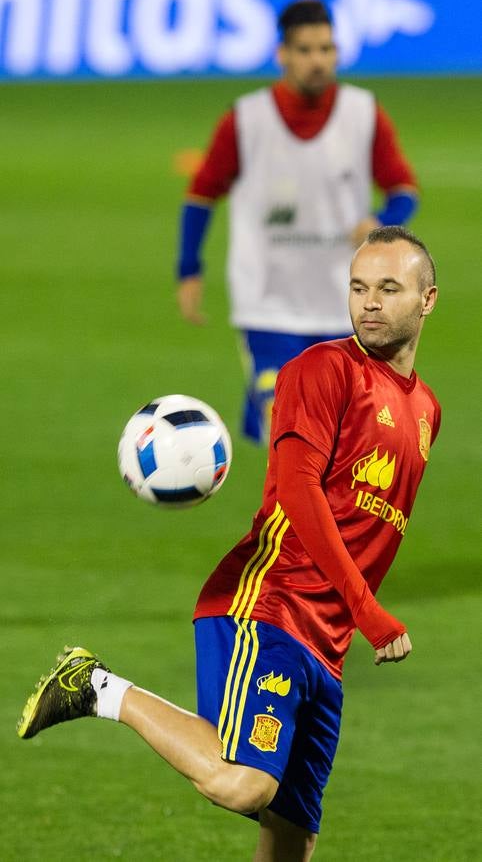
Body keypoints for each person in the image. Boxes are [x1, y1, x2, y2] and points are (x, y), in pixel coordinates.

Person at [18, 226, 440, 862]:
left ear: (427, 299)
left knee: (292, 833)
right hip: (266, 606)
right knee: (244, 783)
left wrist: (348, 618)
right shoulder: (322, 371)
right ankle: (97, 686)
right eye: (358, 288)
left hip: (326, 644)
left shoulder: (426, 409)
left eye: (388, 288)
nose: (369, 302)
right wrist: (367, 611)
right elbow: (299, 494)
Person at [176, 0, 420, 443]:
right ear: (282, 54)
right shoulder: (245, 120)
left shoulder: (363, 114)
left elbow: (404, 188)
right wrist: (188, 268)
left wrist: (381, 220)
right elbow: (201, 194)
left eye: (326, 49)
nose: (317, 61)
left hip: (346, 306)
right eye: (305, 50)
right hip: (268, 302)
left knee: (343, 442)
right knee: (285, 419)